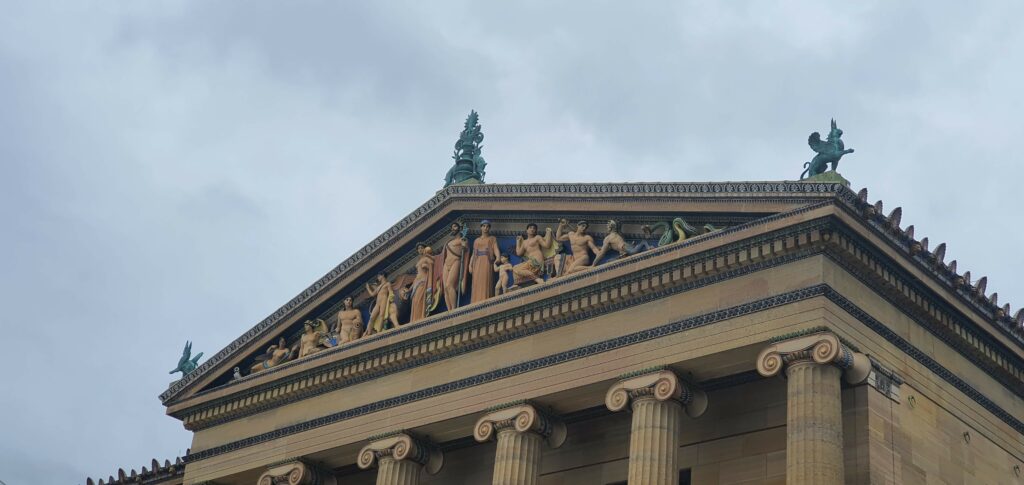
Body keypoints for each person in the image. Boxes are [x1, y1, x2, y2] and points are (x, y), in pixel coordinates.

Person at [469, 220, 501, 303]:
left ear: (489, 228)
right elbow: (473, 254)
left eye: (487, 226)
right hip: (477, 263)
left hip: (487, 262)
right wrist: (470, 265)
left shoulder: (492, 239)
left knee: (485, 281)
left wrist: (498, 257)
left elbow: (496, 249)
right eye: (484, 226)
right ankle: (475, 301)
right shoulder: (476, 240)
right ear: (481, 227)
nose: (485, 228)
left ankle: (485, 300)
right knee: (476, 282)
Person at [441, 222, 469, 311]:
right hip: (446, 264)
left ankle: (454, 309)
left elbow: (467, 249)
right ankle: (449, 310)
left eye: (455, 226)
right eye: (452, 227)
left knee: (449, 285)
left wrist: (464, 246)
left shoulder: (462, 240)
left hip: (456, 261)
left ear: (459, 228)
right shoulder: (449, 242)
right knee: (445, 288)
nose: (453, 228)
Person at [409, 244, 436, 322]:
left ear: (425, 249)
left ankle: (420, 317)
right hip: (417, 283)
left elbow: (433, 262)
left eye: (421, 248)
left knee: (419, 300)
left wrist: (427, 266)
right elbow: (417, 275)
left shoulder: (427, 258)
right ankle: (414, 319)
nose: (420, 249)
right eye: (418, 248)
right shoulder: (419, 261)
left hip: (422, 282)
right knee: (415, 301)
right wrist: (410, 288)